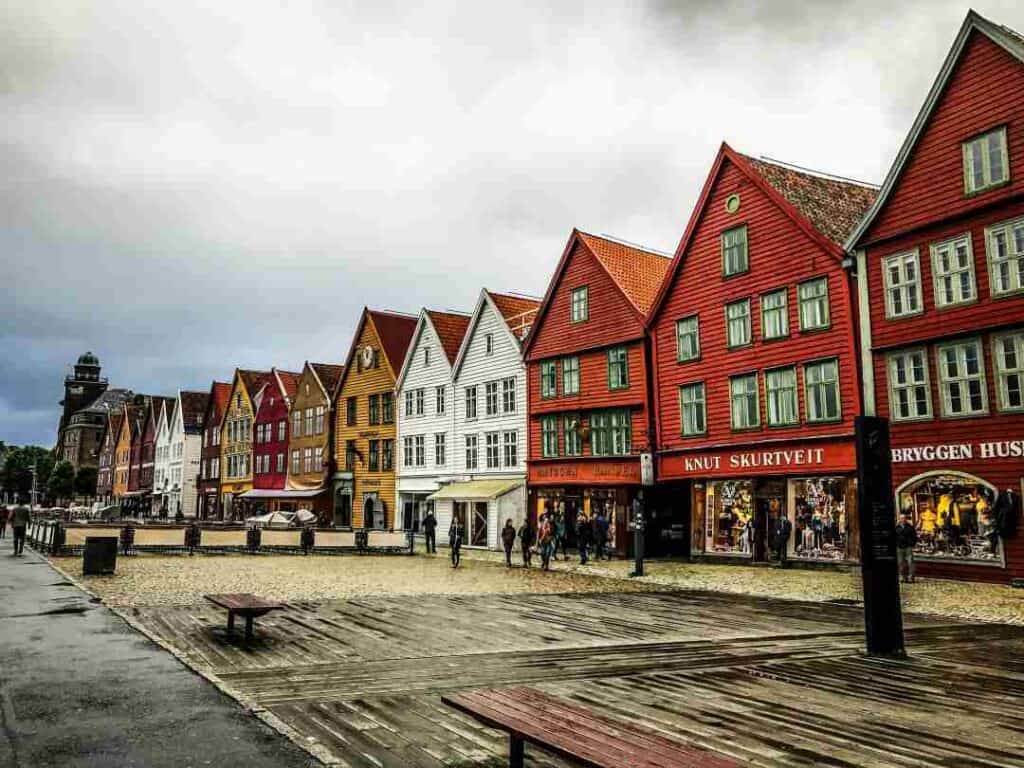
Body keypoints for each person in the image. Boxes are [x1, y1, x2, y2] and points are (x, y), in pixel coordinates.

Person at [895, 513, 918, 583]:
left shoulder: (910, 527)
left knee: (910, 562)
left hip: (908, 547)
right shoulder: (897, 527)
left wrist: (912, 544)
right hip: (899, 547)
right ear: (899, 519)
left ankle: (911, 577)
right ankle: (902, 577)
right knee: (900, 563)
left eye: (904, 518)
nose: (903, 520)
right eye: (901, 518)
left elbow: (914, 536)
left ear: (906, 519)